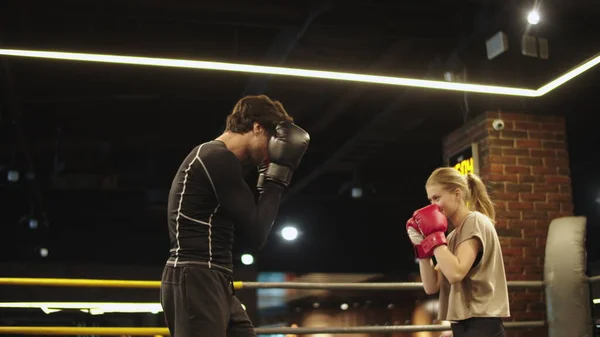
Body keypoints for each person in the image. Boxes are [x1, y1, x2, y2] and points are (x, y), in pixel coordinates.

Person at [160, 94, 310, 337]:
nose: (271, 154)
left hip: (213, 276)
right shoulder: (215, 157)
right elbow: (257, 232)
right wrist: (277, 178)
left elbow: (251, 227)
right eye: (272, 142)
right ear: (257, 128)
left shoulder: (219, 160)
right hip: (196, 275)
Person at [405, 167, 510, 337]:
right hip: (464, 323)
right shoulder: (452, 235)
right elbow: (431, 286)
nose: (433, 206)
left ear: (457, 193)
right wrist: (422, 249)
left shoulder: (475, 221)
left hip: (481, 322)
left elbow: (455, 273)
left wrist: (433, 237)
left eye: (437, 198)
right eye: (430, 200)